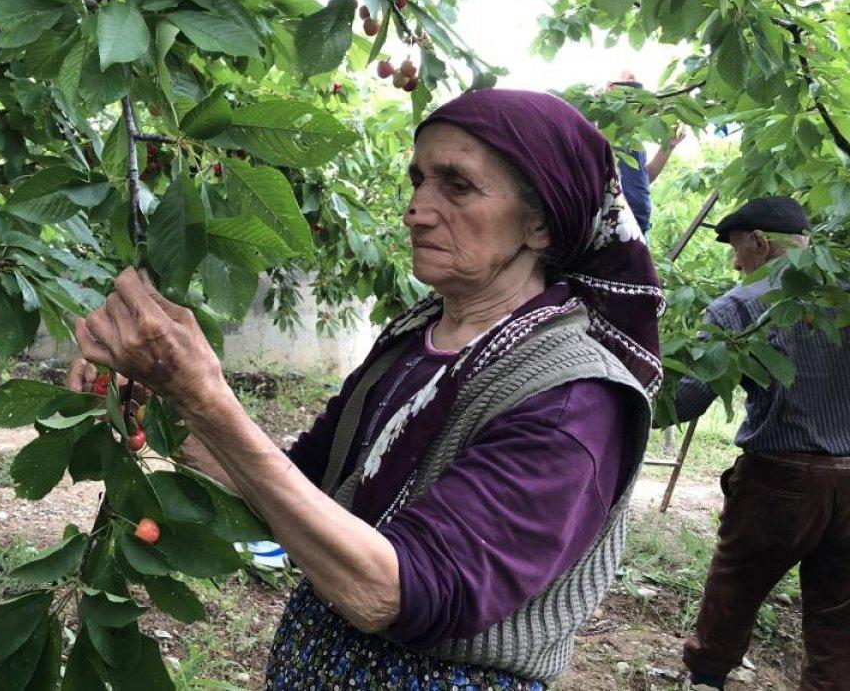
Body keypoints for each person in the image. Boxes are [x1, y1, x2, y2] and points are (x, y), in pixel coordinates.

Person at [68, 89, 662, 689]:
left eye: (458, 186)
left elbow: (395, 593)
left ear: (540, 224)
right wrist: (166, 400)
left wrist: (205, 397)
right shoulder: (413, 341)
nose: (416, 210)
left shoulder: (573, 397)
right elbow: (298, 489)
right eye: (418, 181)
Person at [660, 196, 850, 691]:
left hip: (779, 482)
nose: (734, 263)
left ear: (761, 242)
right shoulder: (845, 296)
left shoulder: (739, 306)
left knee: (734, 592)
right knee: (837, 621)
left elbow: (688, 399)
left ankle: (706, 682)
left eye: (737, 249)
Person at [606, 71, 684, 233]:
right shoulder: (603, 131)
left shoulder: (635, 137)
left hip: (640, 226)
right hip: (614, 226)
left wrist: (668, 146)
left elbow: (644, 178)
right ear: (609, 89)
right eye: (626, 87)